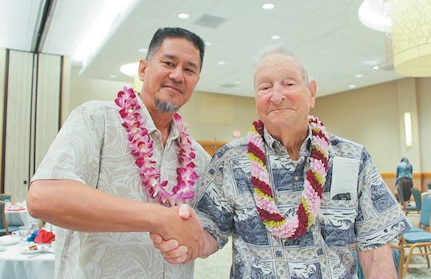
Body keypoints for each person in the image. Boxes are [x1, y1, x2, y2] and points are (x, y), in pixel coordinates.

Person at [151, 46, 411, 278]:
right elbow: (207, 234)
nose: (276, 96)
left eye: (288, 84)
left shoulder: (353, 159)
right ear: (256, 100)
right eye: (265, 87)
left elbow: (375, 251)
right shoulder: (229, 161)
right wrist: (182, 239)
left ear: (311, 93)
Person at [26, 27, 210, 279]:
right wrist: (158, 217)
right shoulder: (96, 120)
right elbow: (43, 198)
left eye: (189, 69)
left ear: (196, 81)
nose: (178, 75)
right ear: (143, 69)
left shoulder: (198, 157)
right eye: (168, 63)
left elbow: (212, 228)